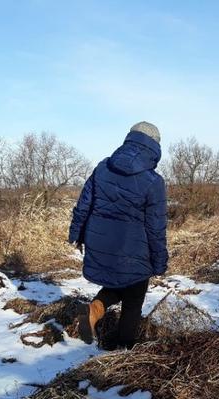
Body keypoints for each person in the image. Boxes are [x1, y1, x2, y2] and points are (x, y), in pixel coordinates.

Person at [68, 121, 168, 348]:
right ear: (154, 147)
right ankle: (125, 347)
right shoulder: (154, 182)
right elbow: (156, 227)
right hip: (133, 249)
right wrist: (159, 261)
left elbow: (83, 205)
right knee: (134, 296)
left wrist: (77, 235)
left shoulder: (103, 168)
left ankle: (93, 312)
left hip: (100, 242)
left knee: (118, 284)